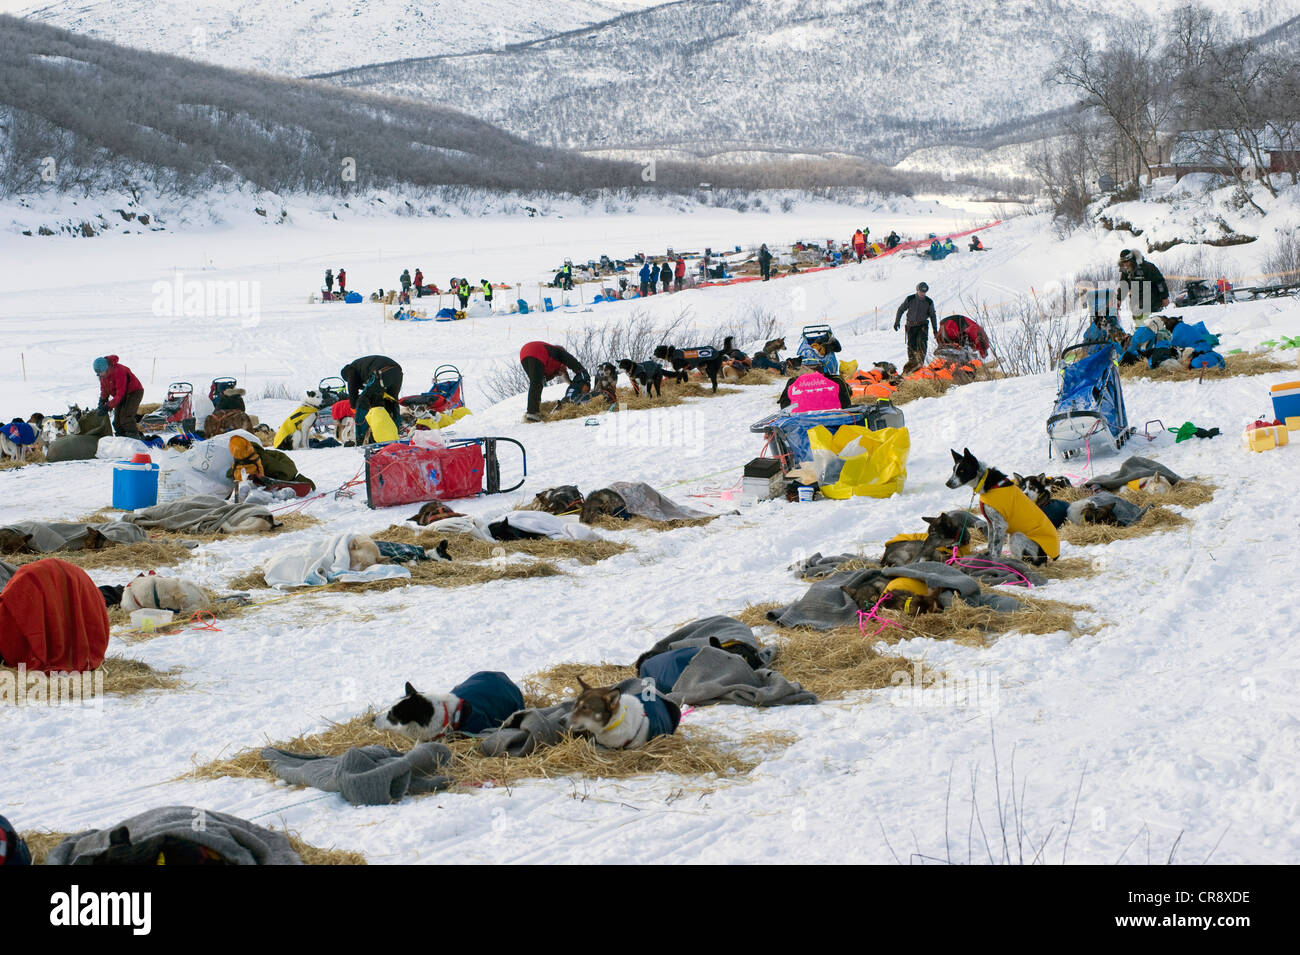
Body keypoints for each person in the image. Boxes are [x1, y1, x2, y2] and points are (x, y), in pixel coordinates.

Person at [518, 341, 587, 422]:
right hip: (536, 351)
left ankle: (535, 409)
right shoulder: (558, 353)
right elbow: (570, 361)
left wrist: (555, 374)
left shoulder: (549, 361)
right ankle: (532, 412)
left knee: (537, 383)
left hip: (524, 354)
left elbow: (544, 378)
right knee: (536, 384)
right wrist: (581, 372)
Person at [340, 355, 402, 441]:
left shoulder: (350, 369)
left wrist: (354, 407)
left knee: (362, 402)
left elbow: (352, 389)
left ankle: (360, 437)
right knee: (390, 401)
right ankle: (395, 430)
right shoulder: (362, 366)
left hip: (382, 372)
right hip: (397, 373)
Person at [93, 355, 144, 438]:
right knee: (116, 422)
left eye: (100, 372)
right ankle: (122, 439)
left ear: (106, 368)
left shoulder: (119, 371)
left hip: (134, 392)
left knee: (126, 418)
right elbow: (104, 389)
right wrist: (102, 401)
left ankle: (134, 438)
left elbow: (120, 394)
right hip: (120, 395)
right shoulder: (103, 375)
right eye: (98, 373)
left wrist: (107, 406)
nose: (99, 375)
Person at [894, 283, 938, 370]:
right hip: (911, 326)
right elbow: (901, 309)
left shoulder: (929, 302)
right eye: (921, 291)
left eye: (924, 292)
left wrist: (935, 329)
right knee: (911, 346)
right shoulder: (910, 299)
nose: (922, 294)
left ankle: (920, 365)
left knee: (922, 345)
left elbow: (933, 316)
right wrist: (897, 322)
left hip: (922, 326)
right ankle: (912, 364)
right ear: (917, 290)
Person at [1117, 248, 1169, 321]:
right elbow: (1124, 286)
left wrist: (1164, 297)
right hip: (1137, 305)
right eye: (1123, 263)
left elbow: (1159, 282)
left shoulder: (1147, 267)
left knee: (1154, 327)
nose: (1125, 265)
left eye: (1127, 262)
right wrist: (1119, 299)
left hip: (1152, 303)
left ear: (1132, 260)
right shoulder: (1125, 271)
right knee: (1140, 328)